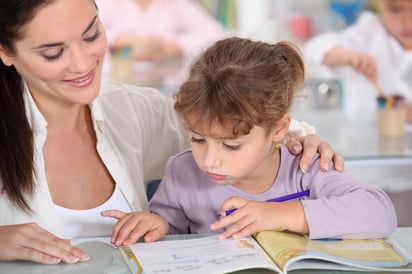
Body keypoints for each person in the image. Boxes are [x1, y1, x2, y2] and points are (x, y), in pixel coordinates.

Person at [0, 0, 344, 265]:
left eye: (91, 34)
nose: (82, 62)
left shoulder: (129, 109)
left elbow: (225, 126)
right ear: (5, 51)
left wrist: (295, 138)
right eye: (53, 52)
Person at [148, 37, 397, 241]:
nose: (209, 160)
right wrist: (156, 225)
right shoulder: (182, 171)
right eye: (198, 139)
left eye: (231, 145)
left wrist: (282, 214)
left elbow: (380, 213)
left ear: (278, 129)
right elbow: (168, 229)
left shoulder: (306, 166)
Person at [304, 0, 412, 121]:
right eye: (396, 10)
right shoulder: (370, 32)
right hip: (365, 134)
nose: (408, 22)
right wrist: (348, 56)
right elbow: (315, 50)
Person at [96, 0, 225, 62]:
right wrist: (120, 40)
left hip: (166, 84)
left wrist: (173, 46)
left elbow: (216, 34)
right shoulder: (107, 3)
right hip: (118, 82)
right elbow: (86, 35)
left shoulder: (176, 4)